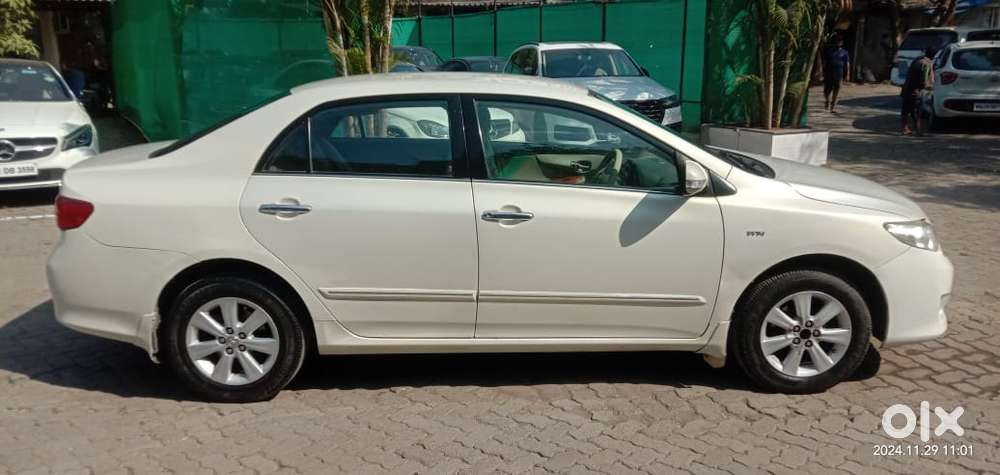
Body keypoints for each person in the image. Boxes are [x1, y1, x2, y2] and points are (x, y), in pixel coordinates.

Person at [901, 46, 936, 135]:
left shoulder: (917, 60)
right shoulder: (927, 64)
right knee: (917, 111)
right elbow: (923, 78)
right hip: (915, 90)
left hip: (906, 88)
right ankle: (918, 130)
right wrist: (928, 87)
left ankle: (905, 128)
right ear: (934, 55)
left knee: (906, 109)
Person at [823, 38, 850, 112]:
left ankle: (833, 105)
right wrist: (823, 72)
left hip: (839, 73)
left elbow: (847, 63)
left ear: (842, 43)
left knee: (837, 88)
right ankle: (827, 100)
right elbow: (825, 62)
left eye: (840, 41)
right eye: (837, 41)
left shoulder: (844, 52)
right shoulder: (830, 51)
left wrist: (848, 74)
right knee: (827, 89)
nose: (838, 43)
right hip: (829, 72)